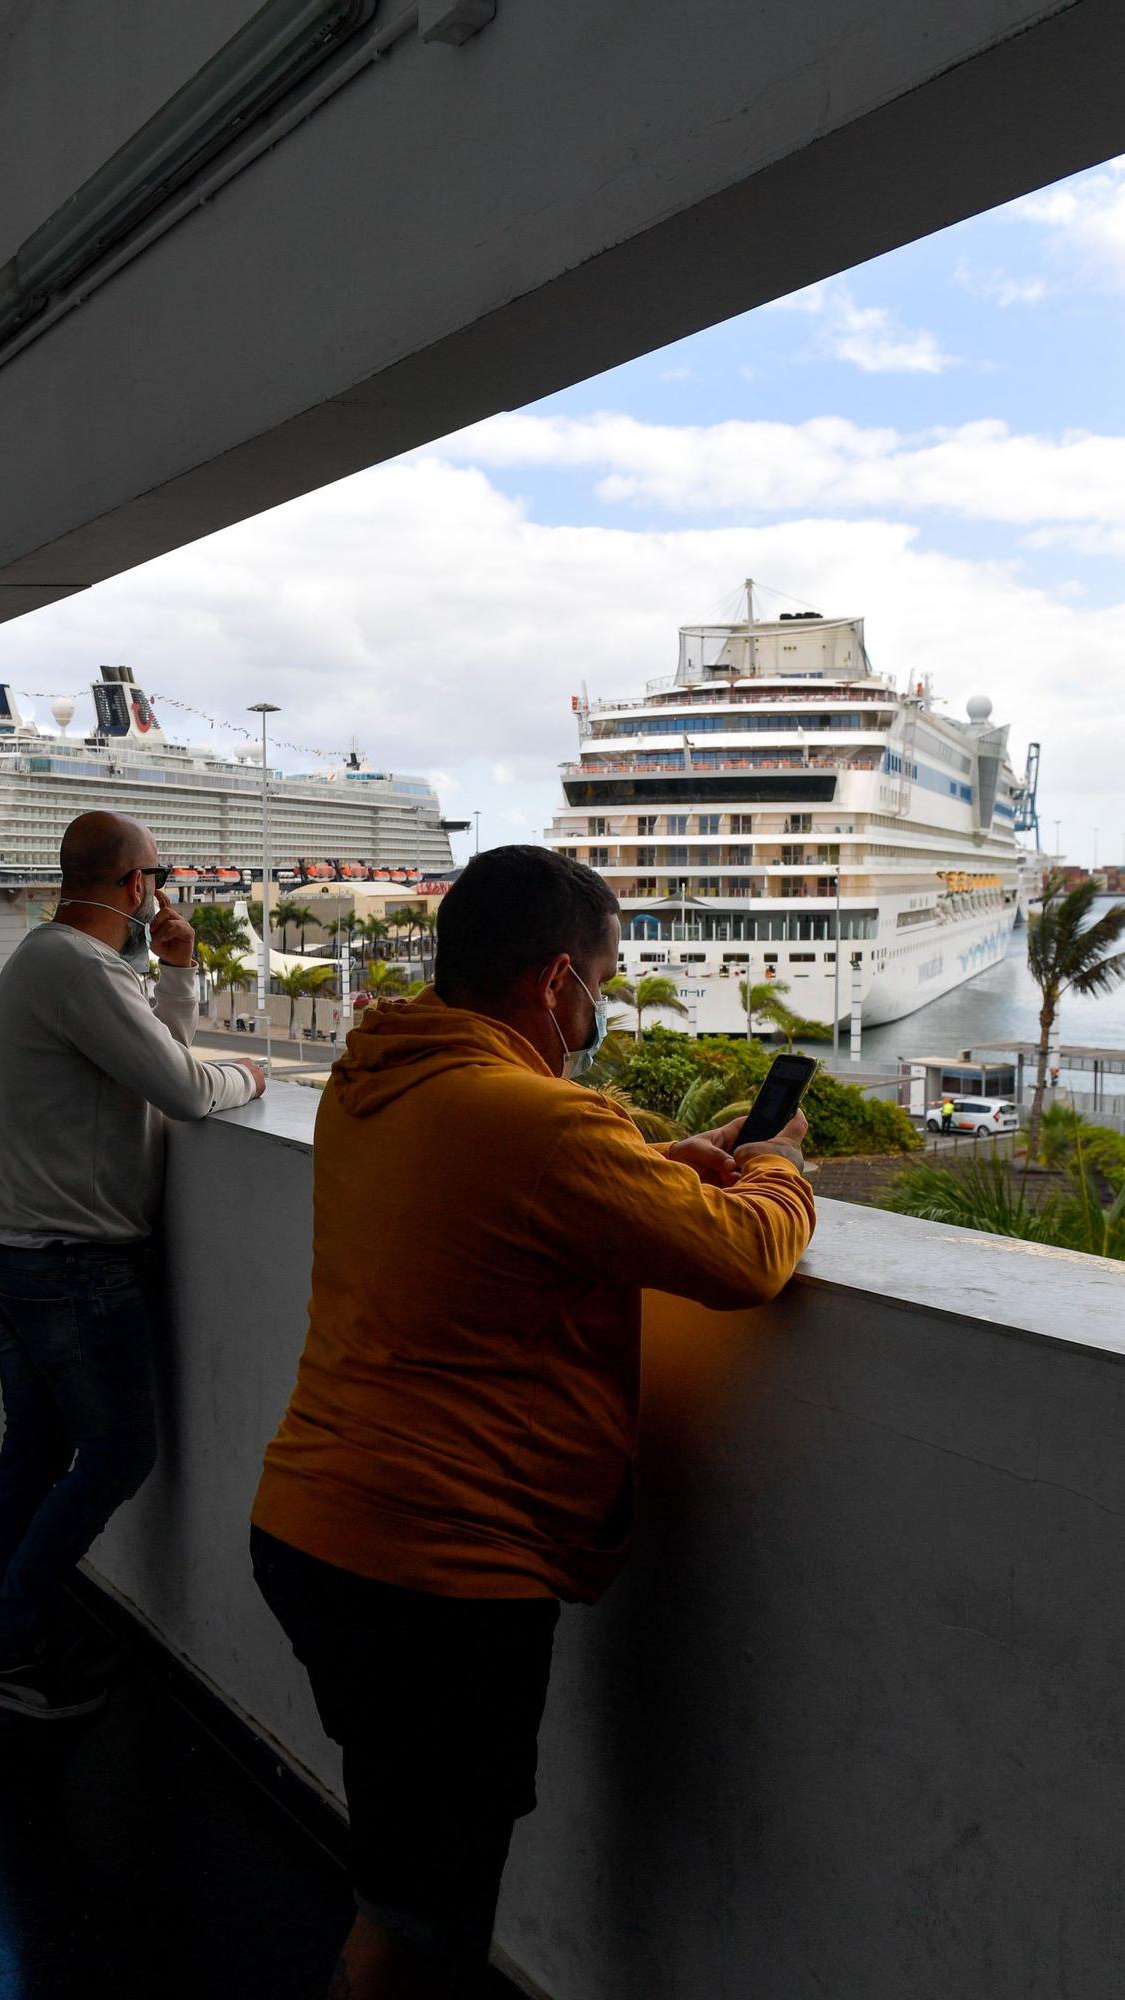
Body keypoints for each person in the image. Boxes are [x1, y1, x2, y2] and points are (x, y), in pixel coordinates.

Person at [250, 845, 815, 1997]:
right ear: (556, 981)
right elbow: (742, 1257)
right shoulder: (539, 1120)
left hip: (316, 1530)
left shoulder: (378, 1076)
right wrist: (774, 1167)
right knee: (422, 1916)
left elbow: (495, 1203)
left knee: (402, 1853)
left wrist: (657, 1168)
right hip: (436, 1573)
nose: (600, 1004)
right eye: (602, 979)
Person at [0, 811, 265, 1721]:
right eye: (157, 874)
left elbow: (154, 1055)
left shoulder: (60, 963)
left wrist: (175, 971)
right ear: (136, 883)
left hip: (20, 1250)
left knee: (37, 1451)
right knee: (119, 1451)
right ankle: (6, 1645)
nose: (161, 889)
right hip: (70, 1265)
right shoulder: (79, 969)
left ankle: (16, 1631)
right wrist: (246, 1075)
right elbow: (182, 1086)